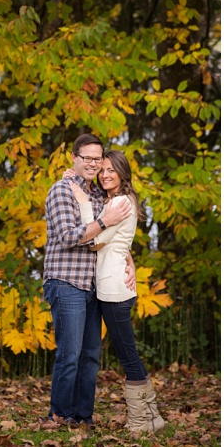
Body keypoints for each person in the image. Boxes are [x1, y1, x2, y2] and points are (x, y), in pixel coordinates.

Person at [67, 150, 167, 433]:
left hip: (113, 290)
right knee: (128, 353)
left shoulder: (121, 201)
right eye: (103, 170)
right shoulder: (116, 200)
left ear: (123, 172)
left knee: (127, 356)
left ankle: (139, 421)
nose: (105, 174)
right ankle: (153, 418)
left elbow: (95, 242)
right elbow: (118, 242)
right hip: (113, 285)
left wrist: (85, 205)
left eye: (111, 169)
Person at [43, 134, 135, 427]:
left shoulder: (98, 195)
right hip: (66, 281)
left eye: (98, 159)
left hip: (94, 285)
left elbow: (110, 238)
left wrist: (129, 260)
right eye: (88, 158)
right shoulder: (61, 191)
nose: (94, 164)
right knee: (69, 354)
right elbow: (70, 236)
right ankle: (59, 414)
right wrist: (104, 221)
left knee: (91, 356)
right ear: (74, 158)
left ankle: (83, 416)